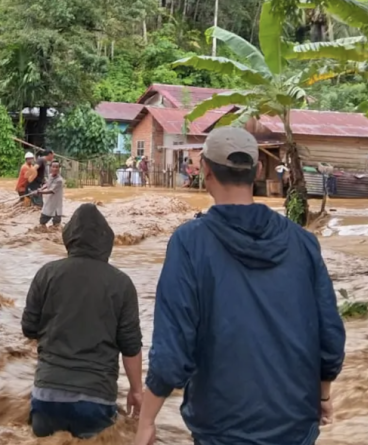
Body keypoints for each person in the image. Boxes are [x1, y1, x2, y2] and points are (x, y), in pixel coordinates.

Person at [134, 126, 346, 445]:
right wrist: (323, 393)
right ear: (258, 170)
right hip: (295, 423)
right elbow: (330, 333)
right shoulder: (302, 243)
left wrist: (147, 420)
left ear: (205, 170)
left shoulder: (189, 243)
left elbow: (173, 351)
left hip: (220, 427)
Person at [22, 203, 143, 439]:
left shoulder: (46, 274)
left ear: (69, 239)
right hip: (96, 398)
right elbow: (130, 346)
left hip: (46, 395)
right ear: (106, 241)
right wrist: (137, 391)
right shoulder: (122, 283)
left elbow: (29, 328)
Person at [38, 161, 64, 227]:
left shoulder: (59, 180)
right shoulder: (50, 176)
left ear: (59, 169)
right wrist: (41, 189)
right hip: (49, 204)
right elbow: (47, 184)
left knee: (56, 226)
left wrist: (40, 192)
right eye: (53, 167)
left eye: (57, 167)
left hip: (56, 207)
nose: (55, 169)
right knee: (41, 223)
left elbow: (51, 191)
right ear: (50, 168)